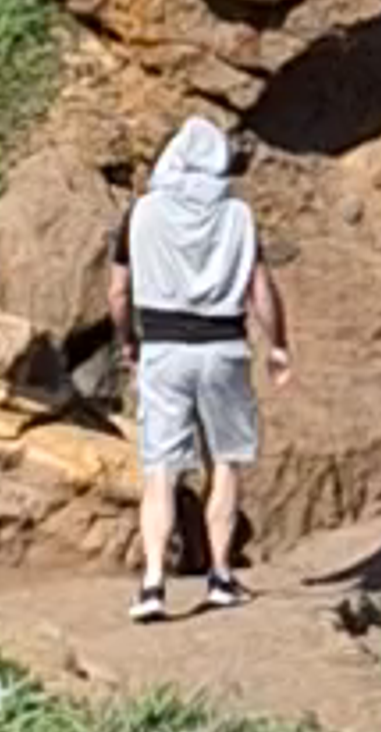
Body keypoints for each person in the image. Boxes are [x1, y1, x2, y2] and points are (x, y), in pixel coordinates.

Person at [111, 113, 290, 619]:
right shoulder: (238, 216)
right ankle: (220, 576)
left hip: (163, 347)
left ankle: (151, 585)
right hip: (223, 348)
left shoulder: (140, 214)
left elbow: (118, 291)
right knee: (226, 463)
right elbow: (260, 289)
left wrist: (127, 341)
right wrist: (278, 345)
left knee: (160, 470)